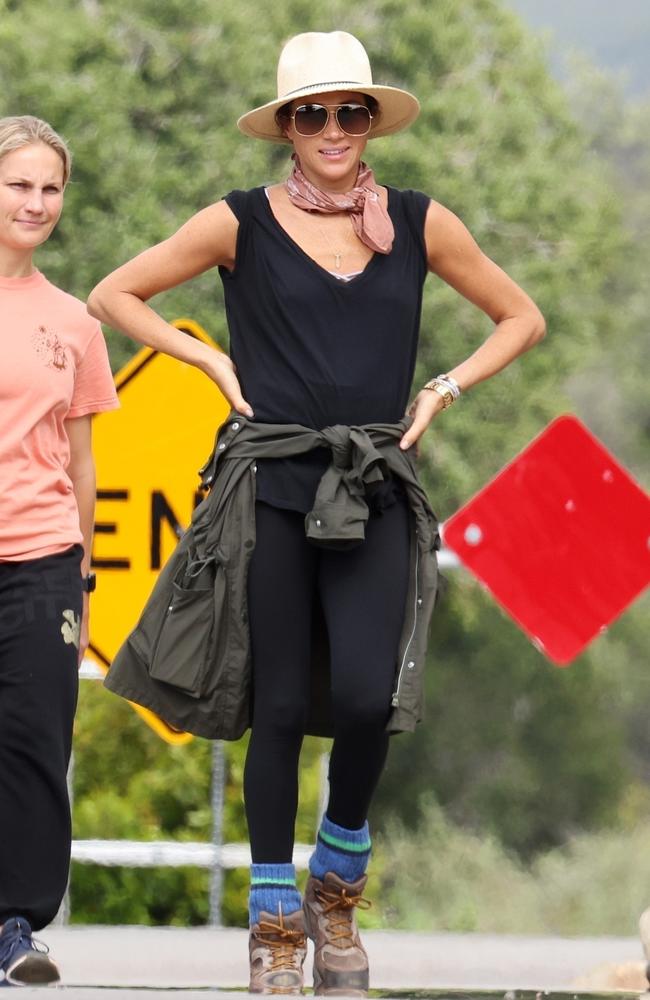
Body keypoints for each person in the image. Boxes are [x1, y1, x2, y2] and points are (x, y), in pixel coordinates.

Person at [88, 31, 545, 996]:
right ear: (286, 128)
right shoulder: (238, 222)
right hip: (272, 487)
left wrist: (443, 391)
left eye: (348, 112)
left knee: (372, 697)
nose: (331, 130)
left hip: (376, 485)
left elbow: (522, 316)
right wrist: (207, 359)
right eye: (310, 114)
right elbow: (114, 291)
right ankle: (278, 931)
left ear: (370, 120)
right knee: (284, 707)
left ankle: (337, 882)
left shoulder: (420, 222)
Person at [0, 116, 118, 987]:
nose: (35, 202)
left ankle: (15, 925)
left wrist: (84, 564)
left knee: (35, 742)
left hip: (43, 557)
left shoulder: (73, 324)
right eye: (19, 184)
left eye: (49, 188)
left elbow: (80, 458)